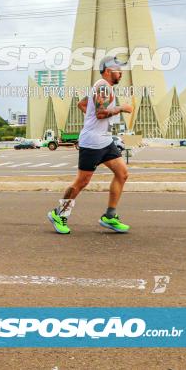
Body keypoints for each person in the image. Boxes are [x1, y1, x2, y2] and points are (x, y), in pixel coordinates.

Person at [47, 55, 133, 235]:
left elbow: (82, 104)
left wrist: (90, 117)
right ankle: (58, 214)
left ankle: (109, 216)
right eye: (119, 71)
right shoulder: (102, 87)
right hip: (93, 143)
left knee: (122, 173)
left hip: (105, 140)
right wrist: (121, 108)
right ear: (109, 71)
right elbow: (101, 113)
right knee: (82, 181)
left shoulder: (103, 87)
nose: (121, 73)